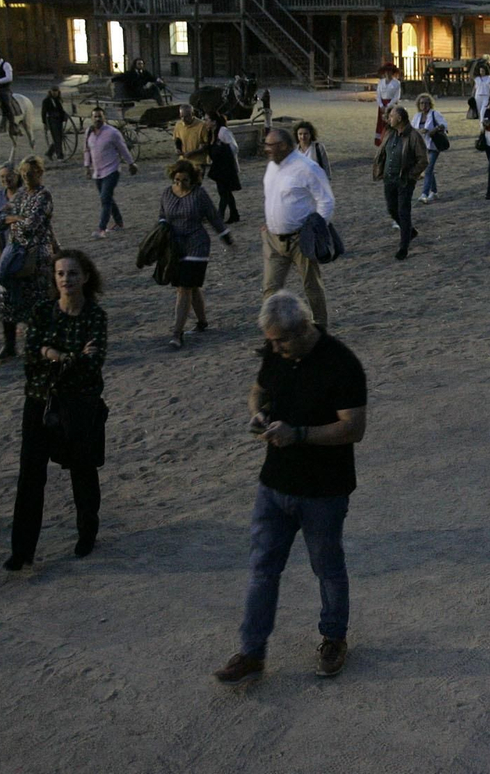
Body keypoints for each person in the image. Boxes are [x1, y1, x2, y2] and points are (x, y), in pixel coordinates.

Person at [213, 291, 367, 686]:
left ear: (303, 329)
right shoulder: (276, 353)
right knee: (262, 569)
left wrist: (298, 433)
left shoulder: (341, 364)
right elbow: (258, 390)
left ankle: (333, 639)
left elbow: (353, 427)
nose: (273, 347)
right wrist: (258, 413)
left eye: (280, 340)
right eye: (270, 340)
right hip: (274, 485)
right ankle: (251, 652)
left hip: (323, 490)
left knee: (327, 568)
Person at [6, 250, 109, 570]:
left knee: (82, 469)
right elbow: (31, 361)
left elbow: (94, 364)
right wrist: (69, 356)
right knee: (30, 476)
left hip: (79, 405)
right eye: (61, 274)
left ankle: (86, 533)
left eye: (73, 274)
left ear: (86, 277)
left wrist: (52, 353)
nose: (66, 279)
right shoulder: (42, 312)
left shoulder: (95, 316)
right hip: (40, 402)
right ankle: (22, 551)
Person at [261, 128, 336, 331]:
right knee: (271, 288)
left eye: (271, 145)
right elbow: (272, 196)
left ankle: (320, 325)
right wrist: (270, 221)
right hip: (273, 239)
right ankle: (273, 331)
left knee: (311, 284)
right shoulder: (272, 167)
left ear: (284, 146)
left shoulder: (307, 168)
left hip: (300, 238)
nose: (267, 149)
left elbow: (326, 201)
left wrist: (316, 230)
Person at [159, 159, 234, 346]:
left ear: (193, 180)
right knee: (190, 286)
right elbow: (162, 216)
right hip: (176, 247)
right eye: (177, 180)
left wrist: (226, 237)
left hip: (197, 245)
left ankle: (177, 333)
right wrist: (160, 231)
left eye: (184, 180)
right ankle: (202, 322)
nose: (180, 184)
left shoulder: (199, 195)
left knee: (184, 288)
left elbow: (213, 216)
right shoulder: (167, 193)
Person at [0, 156, 56, 361]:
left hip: (37, 254)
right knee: (6, 296)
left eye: (29, 173)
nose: (26, 177)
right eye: (23, 174)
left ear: (39, 173)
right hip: (17, 251)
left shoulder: (44, 195)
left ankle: (38, 344)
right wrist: (16, 219)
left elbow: (32, 225)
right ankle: (10, 345)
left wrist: (12, 220)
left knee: (36, 299)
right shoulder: (22, 194)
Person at [372, 106, 428, 261]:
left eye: (392, 116)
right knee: (391, 209)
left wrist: (411, 175)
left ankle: (404, 246)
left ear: (400, 118)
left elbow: (423, 160)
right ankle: (410, 231)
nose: (389, 118)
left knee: (404, 211)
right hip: (389, 178)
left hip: (404, 180)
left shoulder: (414, 136)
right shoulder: (390, 133)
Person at [83, 106, 137, 240]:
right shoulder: (89, 132)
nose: (97, 119)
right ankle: (119, 222)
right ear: (91, 118)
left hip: (112, 170)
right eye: (95, 116)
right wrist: (87, 167)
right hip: (98, 172)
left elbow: (122, 148)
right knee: (107, 198)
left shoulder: (112, 133)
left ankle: (101, 229)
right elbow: (86, 150)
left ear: (104, 117)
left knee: (105, 199)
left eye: (100, 116)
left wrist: (131, 163)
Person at [411, 93, 448, 205]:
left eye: (427, 103)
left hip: (433, 146)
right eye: (422, 103)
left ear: (430, 104)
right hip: (421, 146)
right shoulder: (417, 116)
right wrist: (418, 131)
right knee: (429, 169)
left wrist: (434, 129)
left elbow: (444, 125)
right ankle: (434, 191)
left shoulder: (435, 114)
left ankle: (424, 194)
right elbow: (411, 130)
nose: (424, 105)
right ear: (419, 104)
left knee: (428, 168)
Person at [206, 111, 242, 224]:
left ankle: (219, 216)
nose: (205, 122)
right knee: (225, 192)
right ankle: (234, 214)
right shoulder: (212, 132)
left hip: (226, 167)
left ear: (214, 121)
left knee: (223, 192)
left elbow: (234, 147)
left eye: (207, 119)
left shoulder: (223, 131)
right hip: (219, 167)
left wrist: (222, 151)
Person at [172, 104, 215, 169]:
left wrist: (193, 153)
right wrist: (177, 149)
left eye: (186, 117)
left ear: (192, 114)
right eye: (181, 117)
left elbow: (207, 144)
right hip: (183, 161)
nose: (183, 119)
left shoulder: (201, 125)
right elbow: (177, 139)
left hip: (198, 163)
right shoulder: (178, 125)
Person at [0, 164, 20, 256]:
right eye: (2, 177)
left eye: (9, 176)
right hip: (7, 242)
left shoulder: (25, 193)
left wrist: (6, 219)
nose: (6, 179)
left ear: (17, 175)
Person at [373, 63, 401, 147]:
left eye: (390, 71)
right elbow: (378, 95)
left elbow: (397, 96)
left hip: (391, 104)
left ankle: (392, 140)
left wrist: (389, 106)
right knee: (381, 122)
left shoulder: (397, 83)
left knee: (392, 122)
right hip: (382, 105)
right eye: (386, 71)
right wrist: (381, 105)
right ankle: (381, 140)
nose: (388, 73)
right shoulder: (381, 82)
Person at [41, 86, 70, 160]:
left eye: (56, 91)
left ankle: (49, 152)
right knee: (57, 138)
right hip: (52, 120)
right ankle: (59, 155)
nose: (55, 93)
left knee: (59, 137)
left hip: (59, 120)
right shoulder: (46, 101)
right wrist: (44, 123)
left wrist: (64, 116)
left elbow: (61, 110)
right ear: (50, 92)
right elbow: (43, 113)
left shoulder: (58, 100)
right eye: (53, 91)